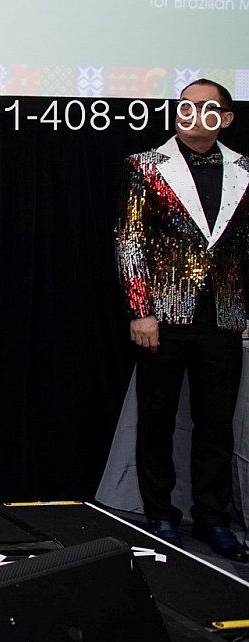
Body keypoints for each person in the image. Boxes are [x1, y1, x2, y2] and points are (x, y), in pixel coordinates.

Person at [117, 77, 248, 562]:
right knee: (158, 419)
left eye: (206, 107)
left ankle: (213, 519)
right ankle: (160, 514)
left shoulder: (244, 169)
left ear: (225, 118)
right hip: (164, 316)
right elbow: (129, 242)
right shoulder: (146, 166)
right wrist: (141, 311)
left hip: (224, 317)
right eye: (186, 105)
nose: (193, 114)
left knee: (217, 423)